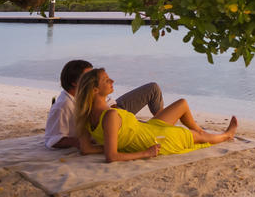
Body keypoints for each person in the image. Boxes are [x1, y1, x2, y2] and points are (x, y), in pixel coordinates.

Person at [74, 68, 238, 162]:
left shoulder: (84, 116)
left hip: (149, 128)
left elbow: (86, 149)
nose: (112, 82)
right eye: (106, 80)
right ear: (95, 90)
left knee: (182, 103)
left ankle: (201, 132)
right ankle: (226, 135)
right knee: (197, 137)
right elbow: (111, 156)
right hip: (154, 139)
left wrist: (111, 144)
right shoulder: (109, 116)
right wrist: (145, 153)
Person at [44, 59, 164, 149]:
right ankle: (160, 125)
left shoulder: (88, 92)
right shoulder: (63, 106)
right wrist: (81, 142)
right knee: (151, 129)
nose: (92, 79)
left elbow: (109, 101)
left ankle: (159, 123)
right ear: (74, 83)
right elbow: (52, 139)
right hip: (108, 122)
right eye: (88, 76)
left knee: (152, 88)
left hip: (115, 111)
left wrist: (117, 112)